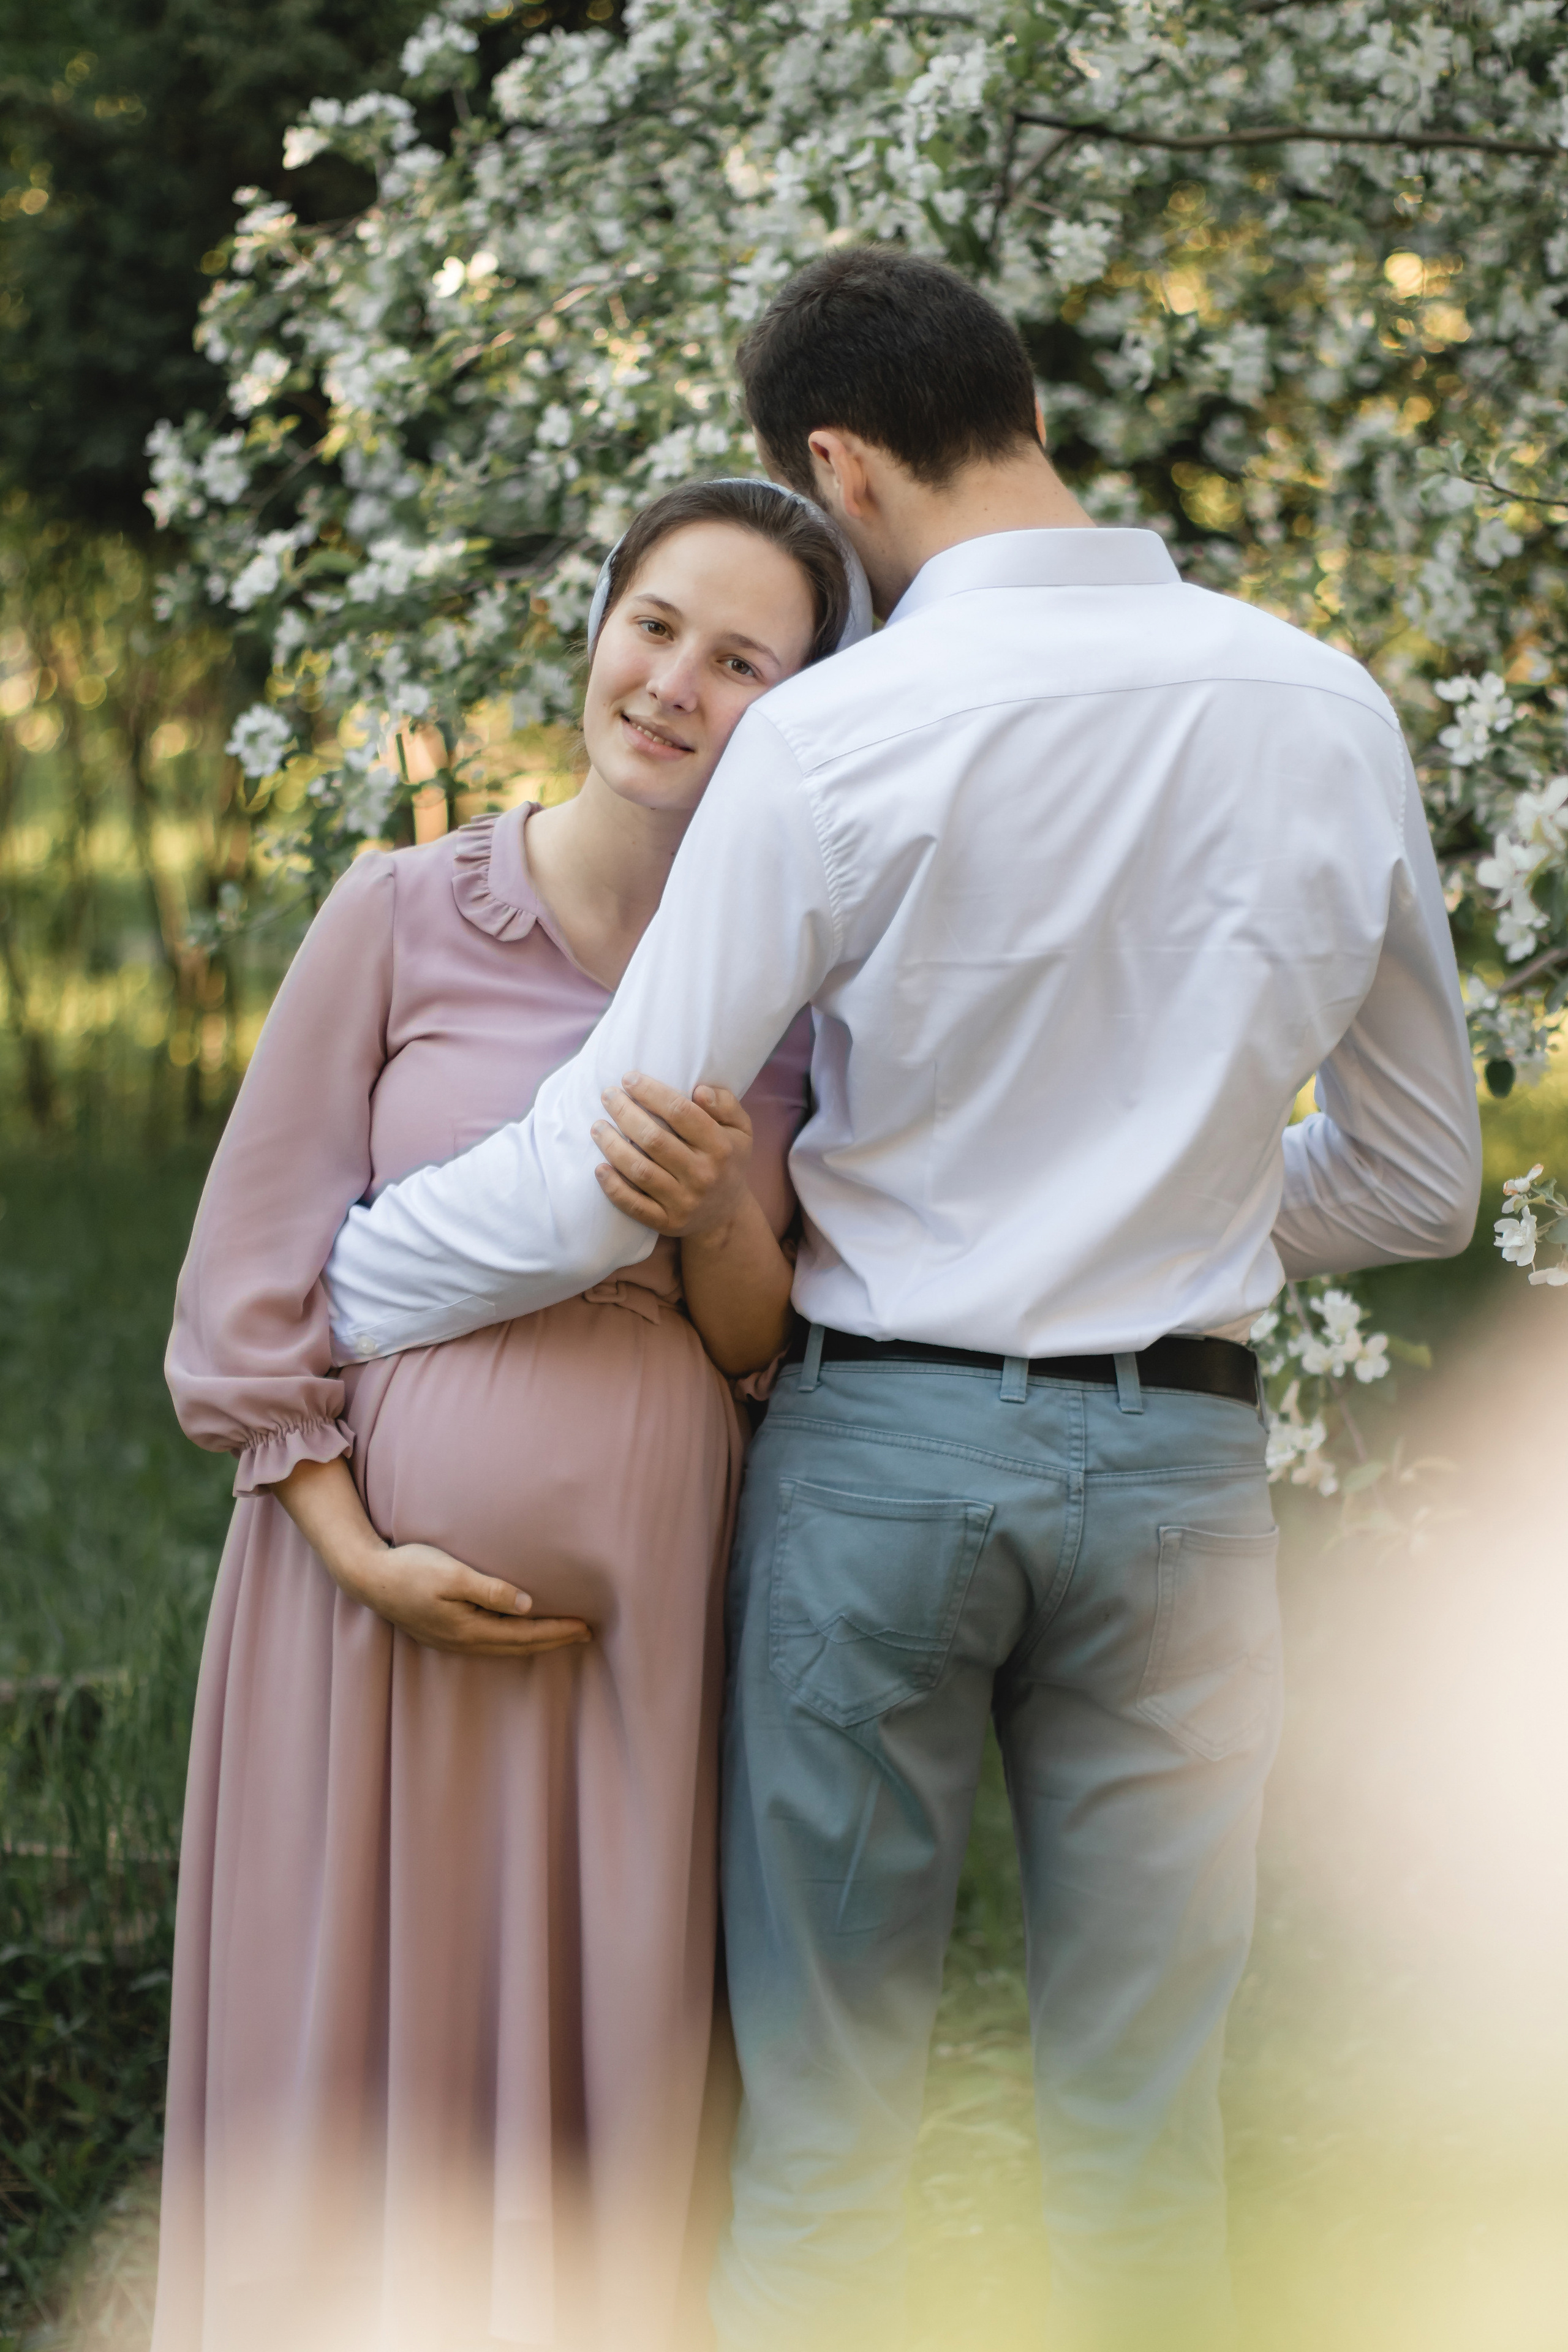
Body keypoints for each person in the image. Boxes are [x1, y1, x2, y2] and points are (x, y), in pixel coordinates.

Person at [322, 249, 1483, 2351]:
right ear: (1020, 405)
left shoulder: (838, 731)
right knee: (1146, 2128)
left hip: (887, 1466)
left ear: (837, 469)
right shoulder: (1328, 706)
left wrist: (346, 1274)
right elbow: (1418, 1178)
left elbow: (609, 1163)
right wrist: (1182, 1223)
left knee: (827, 2131)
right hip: (1184, 1469)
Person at [154, 477, 865, 2352]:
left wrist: (715, 1213)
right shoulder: (403, 914)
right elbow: (246, 1285)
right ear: (596, 627)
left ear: (796, 713)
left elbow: (755, 1344)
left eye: (742, 662)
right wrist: (360, 1556)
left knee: (595, 2059)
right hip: (356, 1613)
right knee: (350, 2055)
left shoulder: (792, 998)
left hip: (633, 1631)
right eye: (656, 626)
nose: (676, 686)